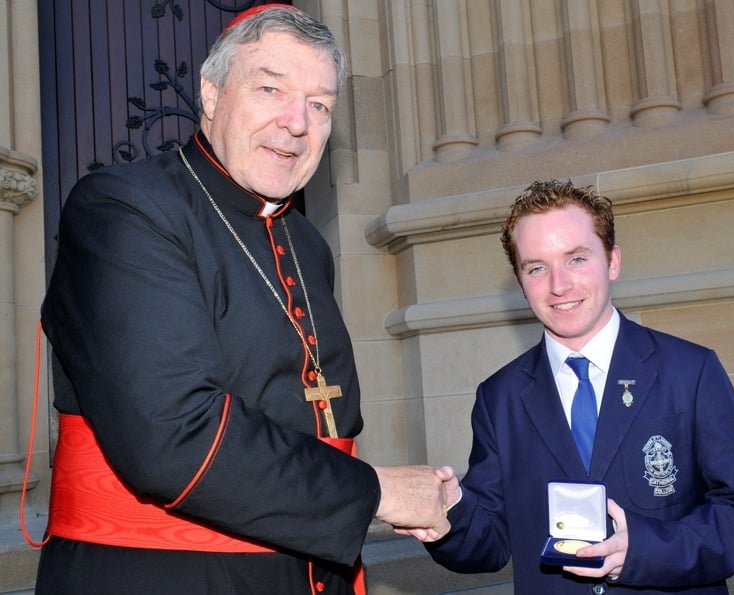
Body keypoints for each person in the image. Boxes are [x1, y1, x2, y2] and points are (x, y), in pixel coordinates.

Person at [36, 5, 449, 595]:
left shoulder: (306, 242)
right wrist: (376, 491)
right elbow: (172, 436)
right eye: (270, 89)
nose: (298, 123)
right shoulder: (124, 208)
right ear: (210, 94)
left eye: (320, 104)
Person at [425, 180, 734, 593]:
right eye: (537, 267)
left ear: (612, 261)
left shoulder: (690, 370)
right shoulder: (499, 397)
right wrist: (445, 513)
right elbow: (487, 546)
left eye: (576, 258)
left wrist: (646, 550)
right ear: (520, 279)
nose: (559, 285)